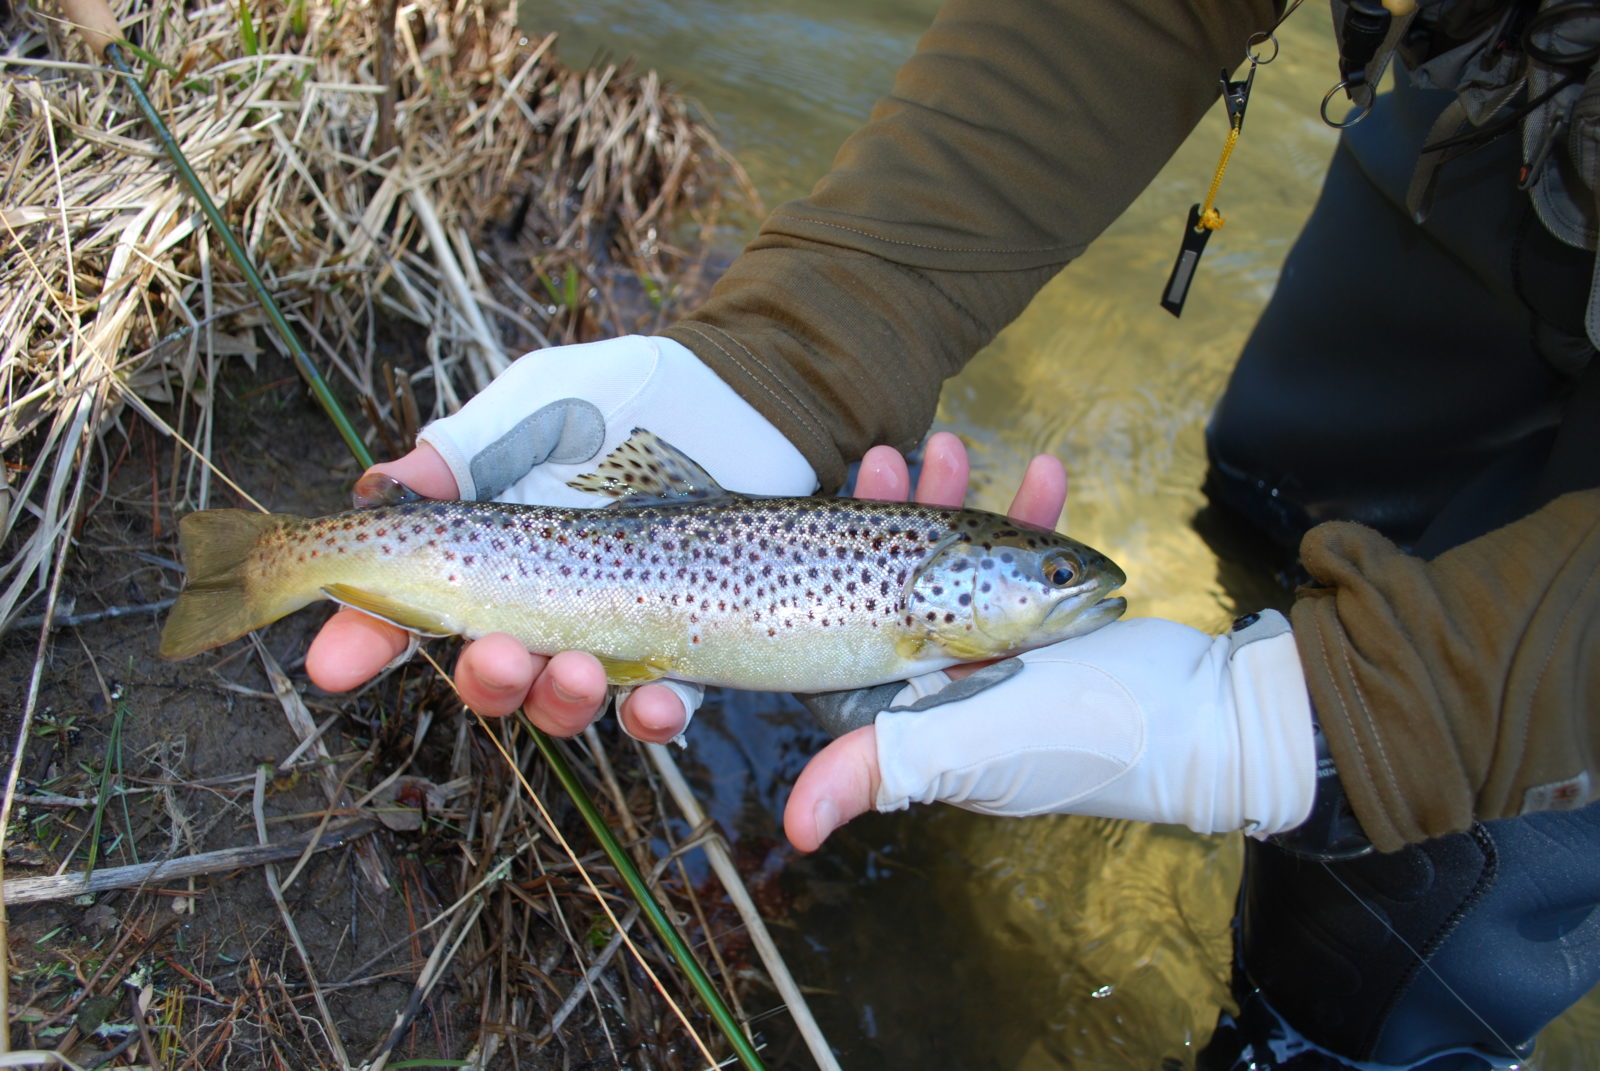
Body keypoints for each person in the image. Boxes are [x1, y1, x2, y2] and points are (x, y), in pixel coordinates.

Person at [304, 1, 1600, 1067]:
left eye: (1048, 578)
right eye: (1046, 576)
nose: (1071, 581)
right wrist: (802, 347)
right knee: (1285, 476)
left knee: (1422, 906)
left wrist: (1342, 722)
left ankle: (1328, 1036)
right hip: (1503, 89)